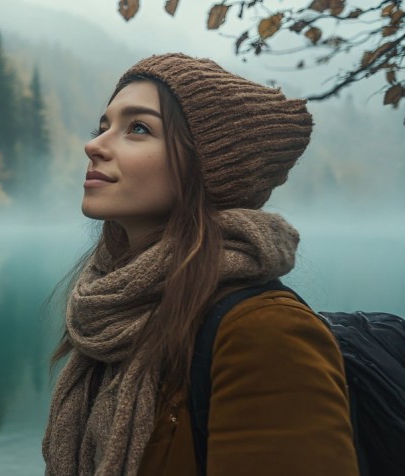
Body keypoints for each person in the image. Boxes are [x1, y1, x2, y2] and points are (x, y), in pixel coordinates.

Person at [42, 53, 359, 476]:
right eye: (103, 127)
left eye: (138, 128)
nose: (94, 145)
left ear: (207, 166)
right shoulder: (111, 316)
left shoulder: (265, 333)